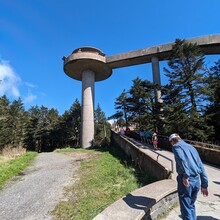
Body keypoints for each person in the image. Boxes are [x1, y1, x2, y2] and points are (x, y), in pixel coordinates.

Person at [169, 133, 208, 220]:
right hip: (197, 180)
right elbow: (201, 166)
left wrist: (185, 176)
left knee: (186, 207)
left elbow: (182, 160)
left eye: (170, 142)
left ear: (173, 141)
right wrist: (204, 185)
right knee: (191, 205)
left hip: (186, 181)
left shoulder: (176, 147)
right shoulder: (191, 147)